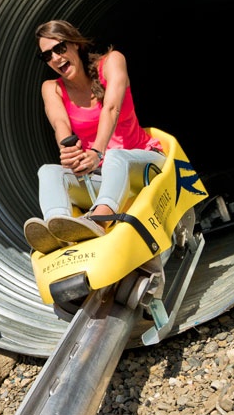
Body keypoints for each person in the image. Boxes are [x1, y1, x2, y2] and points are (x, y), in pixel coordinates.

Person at [24, 20, 166, 253]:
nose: (56, 58)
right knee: (48, 171)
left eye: (59, 49)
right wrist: (68, 153)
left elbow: (111, 108)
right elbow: (60, 123)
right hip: (101, 177)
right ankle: (58, 230)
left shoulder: (112, 62)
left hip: (143, 166)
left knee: (115, 157)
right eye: (47, 56)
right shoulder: (51, 88)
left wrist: (96, 152)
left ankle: (99, 221)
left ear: (75, 44)